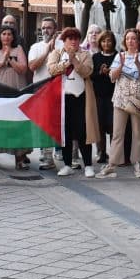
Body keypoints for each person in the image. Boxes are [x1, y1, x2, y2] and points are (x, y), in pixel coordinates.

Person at [100, 27, 140, 179]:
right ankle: (112, 164)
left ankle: (137, 164)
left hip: (137, 100)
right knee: (117, 133)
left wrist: (137, 64)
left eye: (134, 38)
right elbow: (112, 77)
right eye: (128, 38)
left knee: (138, 133)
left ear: (139, 41)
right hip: (120, 99)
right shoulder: (120, 56)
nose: (130, 41)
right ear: (125, 41)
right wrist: (121, 66)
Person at [47, 27, 98, 177]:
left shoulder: (85, 54)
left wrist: (74, 60)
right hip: (62, 99)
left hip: (81, 98)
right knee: (66, 133)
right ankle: (67, 164)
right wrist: (65, 63)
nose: (73, 41)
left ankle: (88, 165)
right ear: (64, 40)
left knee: (83, 131)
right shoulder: (56, 53)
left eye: (76, 38)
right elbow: (51, 69)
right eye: (70, 38)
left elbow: (87, 72)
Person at [0, 25, 30, 169]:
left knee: (16, 123)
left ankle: (20, 158)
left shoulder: (19, 49)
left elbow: (23, 69)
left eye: (9, 34)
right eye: (3, 34)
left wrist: (10, 60)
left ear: (13, 36)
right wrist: (1, 62)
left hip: (15, 91)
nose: (6, 37)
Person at [27, 17, 63, 171]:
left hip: (59, 89)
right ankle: (45, 155)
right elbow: (32, 66)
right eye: (43, 28)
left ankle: (61, 152)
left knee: (58, 122)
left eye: (49, 28)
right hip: (41, 90)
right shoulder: (36, 47)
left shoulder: (63, 46)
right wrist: (47, 51)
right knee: (43, 124)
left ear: (55, 30)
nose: (45, 30)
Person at [90, 30, 118, 165]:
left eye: (109, 41)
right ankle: (101, 152)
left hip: (114, 96)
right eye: (103, 41)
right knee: (99, 126)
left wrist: (111, 73)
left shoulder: (118, 56)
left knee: (113, 126)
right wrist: (100, 72)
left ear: (113, 42)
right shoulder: (95, 57)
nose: (106, 43)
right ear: (100, 43)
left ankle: (114, 154)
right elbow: (91, 76)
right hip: (98, 96)